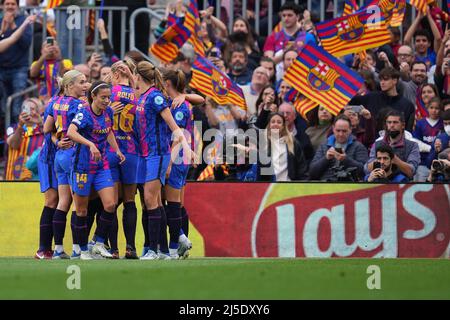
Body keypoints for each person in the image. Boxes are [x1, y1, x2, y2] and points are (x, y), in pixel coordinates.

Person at [135, 61, 193, 260]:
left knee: (151, 200)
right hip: (145, 154)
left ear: (137, 76)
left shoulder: (155, 97)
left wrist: (185, 146)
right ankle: (163, 251)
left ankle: (153, 250)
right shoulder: (142, 97)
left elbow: (174, 127)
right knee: (155, 202)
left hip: (158, 154)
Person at [67, 81, 125, 260]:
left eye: (109, 97)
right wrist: (90, 144)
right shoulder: (83, 113)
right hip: (83, 166)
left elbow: (108, 131)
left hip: (102, 165)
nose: (107, 101)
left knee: (110, 204)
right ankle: (82, 250)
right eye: (103, 97)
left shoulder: (108, 112)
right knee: (82, 210)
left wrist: (116, 149)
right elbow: (70, 132)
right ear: (93, 96)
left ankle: (98, 242)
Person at [43, 70, 88, 259]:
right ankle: (78, 248)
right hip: (73, 155)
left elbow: (47, 129)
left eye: (86, 82)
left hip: (60, 154)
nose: (86, 85)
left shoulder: (56, 103)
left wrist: (57, 142)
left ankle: (59, 248)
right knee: (77, 204)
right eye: (82, 82)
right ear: (70, 86)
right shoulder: (80, 105)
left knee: (63, 203)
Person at [163, 69, 203, 259]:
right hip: (181, 156)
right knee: (175, 203)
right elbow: (201, 99)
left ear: (168, 84)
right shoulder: (180, 101)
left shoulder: (179, 106)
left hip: (178, 156)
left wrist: (169, 163)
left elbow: (179, 138)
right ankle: (178, 243)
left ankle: (178, 241)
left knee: (172, 203)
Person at [103, 59, 140, 259]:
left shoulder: (107, 94)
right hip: (132, 152)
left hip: (111, 151)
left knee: (111, 202)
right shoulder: (137, 95)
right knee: (129, 201)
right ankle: (131, 248)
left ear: (115, 74)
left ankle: (113, 249)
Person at [34, 94, 63, 259]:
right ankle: (43, 248)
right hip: (50, 157)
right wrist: (57, 142)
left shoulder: (80, 102)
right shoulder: (55, 103)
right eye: (81, 82)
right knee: (52, 200)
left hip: (66, 156)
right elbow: (47, 130)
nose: (85, 85)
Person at [349, 67, 415, 133]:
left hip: (397, 141)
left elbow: (407, 132)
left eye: (386, 79)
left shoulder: (407, 105)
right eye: (381, 80)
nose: (382, 83)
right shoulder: (371, 97)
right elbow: (348, 101)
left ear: (395, 80)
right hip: (372, 141)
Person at [0, 0, 32, 124]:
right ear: (2, 6)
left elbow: (26, 44)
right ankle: (6, 137)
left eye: (13, 4)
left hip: (19, 69)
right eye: (7, 4)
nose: (10, 6)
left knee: (16, 108)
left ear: (18, 6)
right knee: (3, 107)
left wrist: (13, 25)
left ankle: (18, 134)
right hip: (1, 68)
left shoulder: (24, 21)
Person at [309, 115, 368, 181]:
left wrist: (345, 160)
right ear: (333, 129)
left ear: (350, 130)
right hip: (325, 185)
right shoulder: (324, 145)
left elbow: (364, 171)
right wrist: (326, 159)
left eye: (344, 131)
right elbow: (312, 173)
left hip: (349, 185)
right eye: (338, 130)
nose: (341, 134)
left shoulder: (359, 147)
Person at [365, 110, 420, 180]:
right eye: (389, 122)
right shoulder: (377, 144)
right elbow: (366, 169)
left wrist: (392, 156)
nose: (391, 125)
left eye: (395, 122)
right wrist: (381, 159)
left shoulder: (412, 146)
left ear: (403, 125)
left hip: (401, 184)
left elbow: (411, 172)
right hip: (378, 182)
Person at [258, 112, 308, 181]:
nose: (275, 124)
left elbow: (301, 168)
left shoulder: (293, 143)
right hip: (268, 186)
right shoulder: (262, 143)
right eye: (273, 122)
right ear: (269, 125)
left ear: (283, 126)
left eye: (279, 122)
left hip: (288, 186)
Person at [5, 98, 45, 181]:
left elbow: (55, 140)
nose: (29, 112)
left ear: (40, 112)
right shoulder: (13, 128)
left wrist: (41, 123)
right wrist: (20, 126)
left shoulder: (44, 130)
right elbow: (13, 144)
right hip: (12, 181)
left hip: (35, 181)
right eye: (26, 108)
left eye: (33, 109)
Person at [413, 97, 444, 181]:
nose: (434, 110)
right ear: (427, 108)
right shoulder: (420, 123)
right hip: (422, 162)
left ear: (441, 109)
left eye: (437, 108)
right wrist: (430, 148)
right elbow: (416, 142)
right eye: (431, 108)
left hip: (440, 162)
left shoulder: (443, 123)